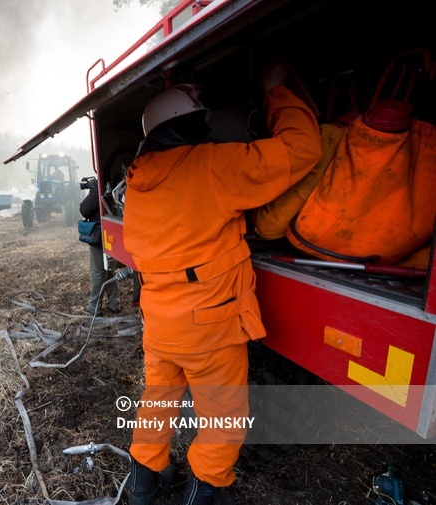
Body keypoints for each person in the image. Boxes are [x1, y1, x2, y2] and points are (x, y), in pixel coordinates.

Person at [123, 61, 322, 505]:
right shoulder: (215, 166)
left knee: (158, 397)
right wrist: (276, 93)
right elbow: (302, 148)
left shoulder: (136, 182)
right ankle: (207, 491)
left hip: (159, 323)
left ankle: (144, 480)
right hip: (210, 326)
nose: (209, 124)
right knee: (223, 415)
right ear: (189, 124)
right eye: (202, 117)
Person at [79, 181, 120, 316]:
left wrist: (93, 190)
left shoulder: (100, 186)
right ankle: (114, 303)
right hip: (112, 234)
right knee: (107, 269)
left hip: (99, 236)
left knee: (98, 272)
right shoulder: (114, 184)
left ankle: (94, 307)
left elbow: (84, 208)